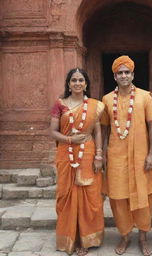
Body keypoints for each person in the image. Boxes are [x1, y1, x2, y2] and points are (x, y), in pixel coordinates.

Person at [101, 56, 152, 256]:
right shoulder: (107, 99)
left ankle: (143, 238)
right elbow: (105, 128)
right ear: (114, 76)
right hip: (116, 157)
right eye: (120, 73)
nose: (124, 75)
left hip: (141, 156)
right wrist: (103, 153)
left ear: (133, 75)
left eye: (127, 72)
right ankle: (125, 236)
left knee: (144, 197)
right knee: (117, 198)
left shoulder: (145, 96)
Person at [49, 68, 104, 256]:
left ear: (86, 83)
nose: (78, 83)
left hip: (88, 153)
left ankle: (86, 238)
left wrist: (99, 156)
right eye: (74, 80)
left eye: (81, 80)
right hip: (66, 153)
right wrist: (71, 140)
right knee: (66, 194)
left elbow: (97, 131)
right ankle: (69, 236)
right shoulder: (60, 104)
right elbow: (53, 132)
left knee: (90, 195)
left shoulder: (95, 105)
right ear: (69, 84)